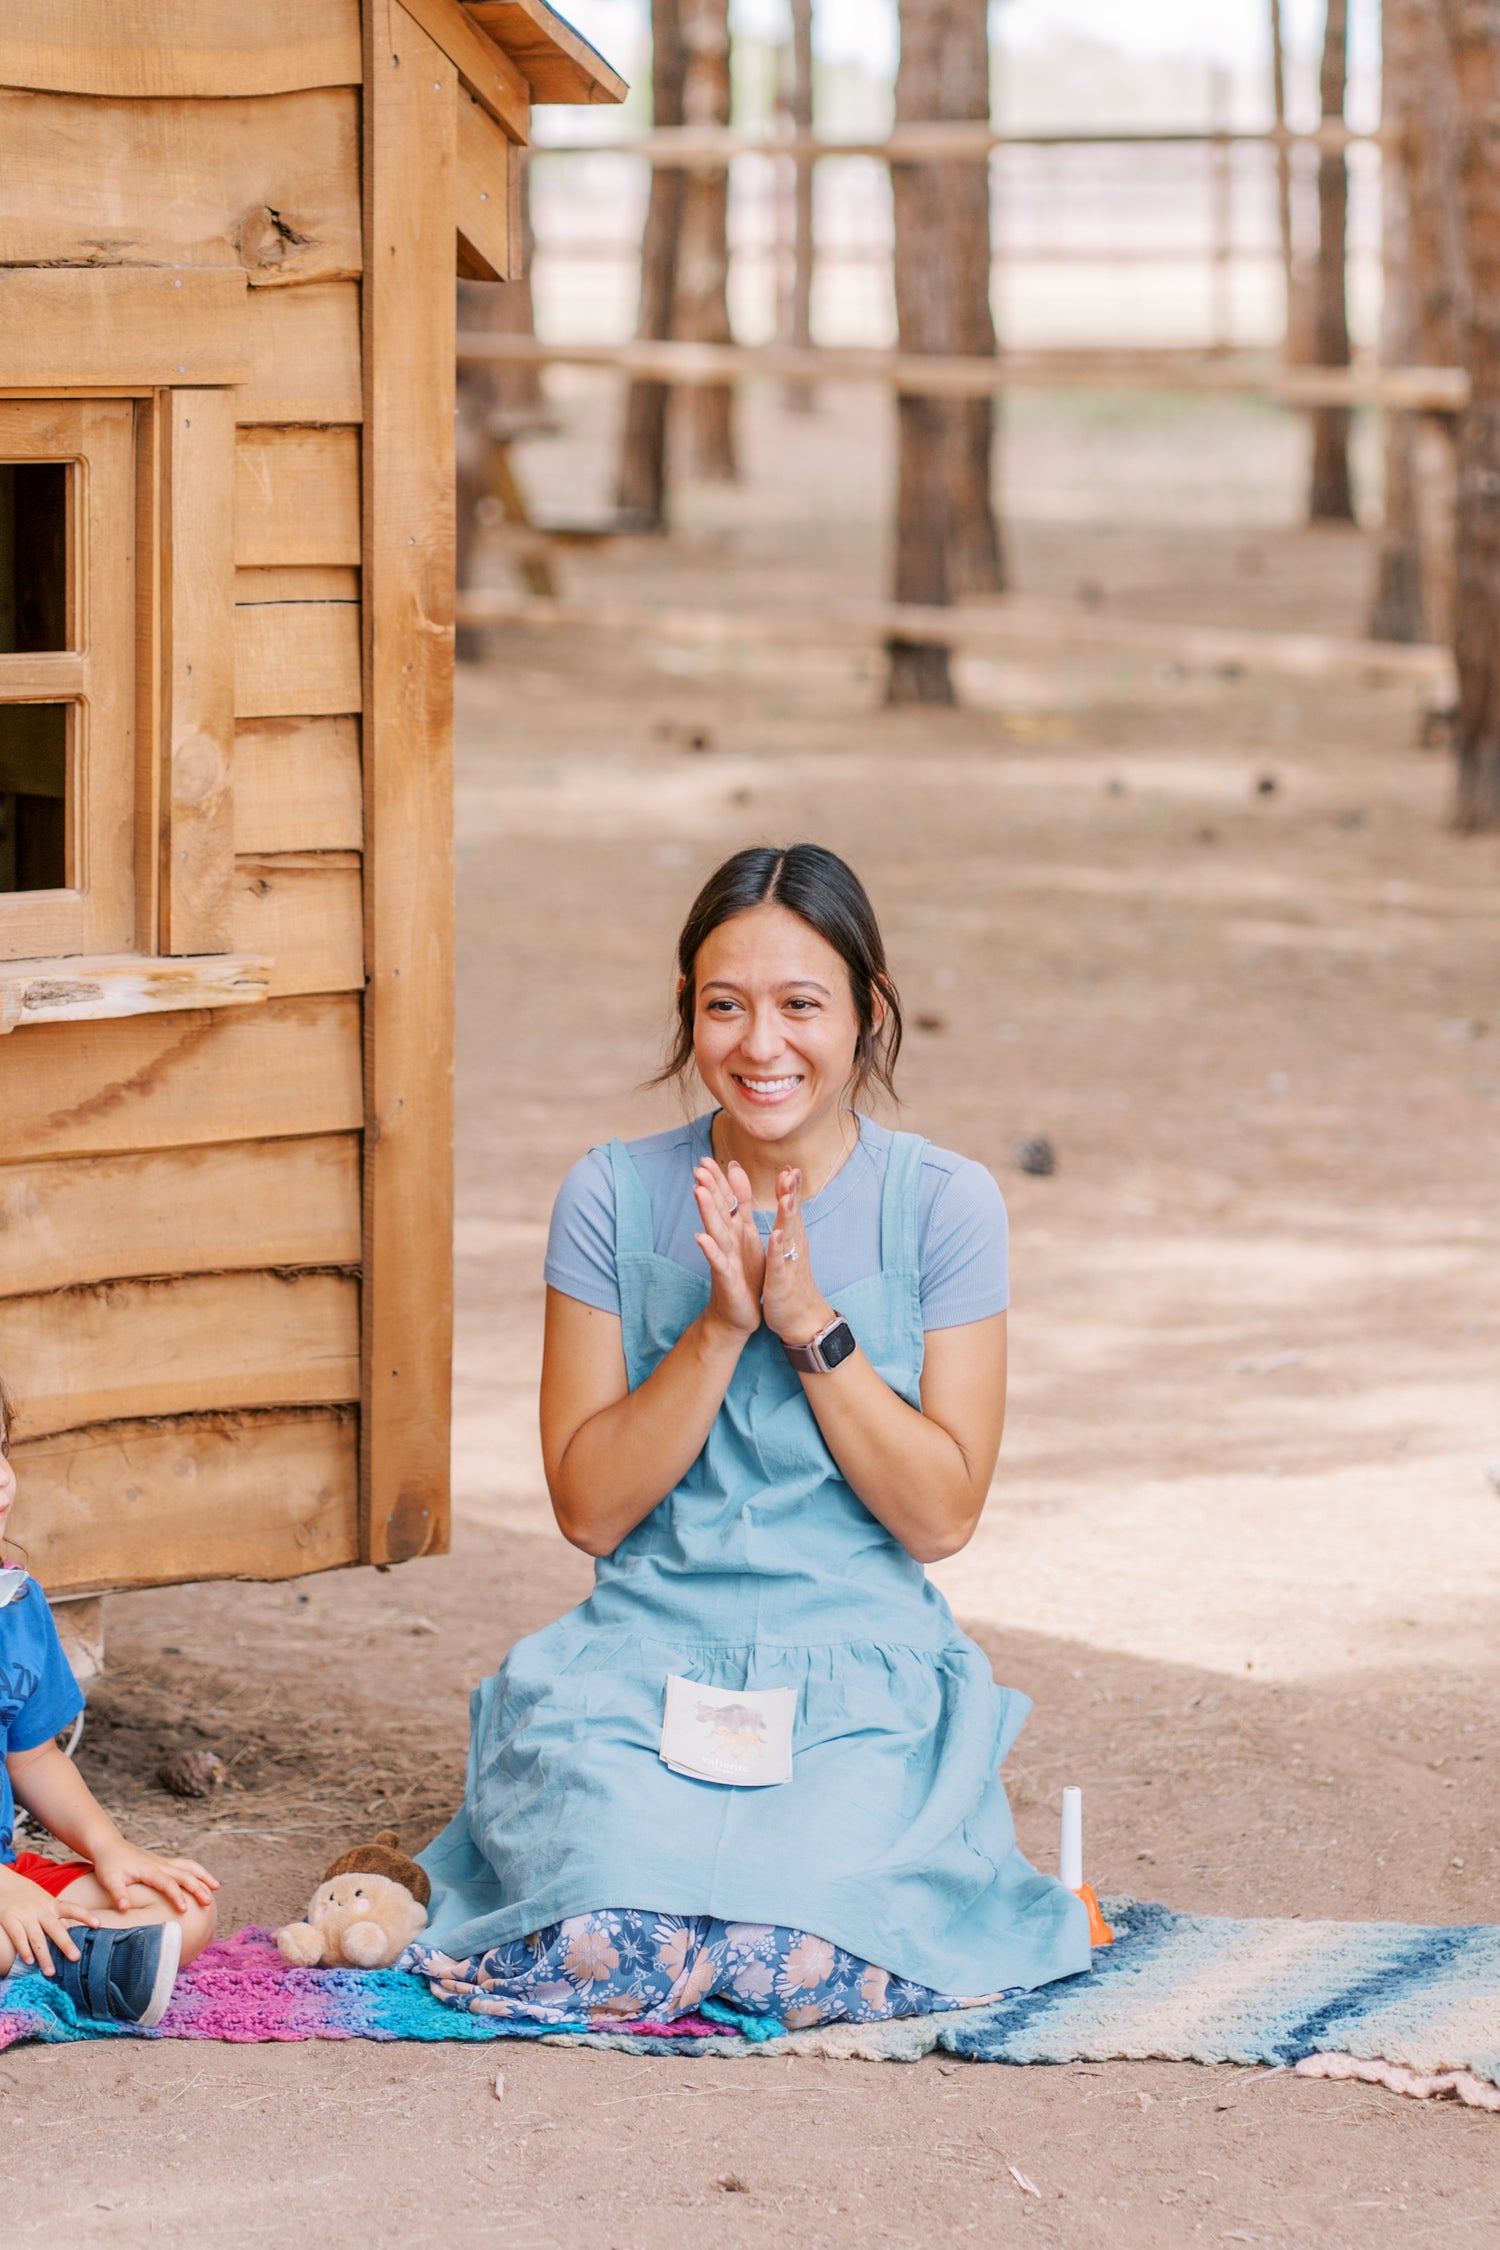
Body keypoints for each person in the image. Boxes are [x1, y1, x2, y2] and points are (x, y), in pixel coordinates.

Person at [411, 845, 1090, 2027]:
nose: (760, 1045)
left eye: (800, 1005)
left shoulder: (945, 1204)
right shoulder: (613, 1195)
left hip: (860, 1667)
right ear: (688, 1011)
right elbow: (590, 1507)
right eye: (725, 1005)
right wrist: (721, 1328)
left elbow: (941, 1517)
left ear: (868, 1013)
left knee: (809, 1937)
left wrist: (808, 1324)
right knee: (600, 1935)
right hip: (641, 1657)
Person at [0, 1379, 218, 2025]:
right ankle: (65, 1960)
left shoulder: (14, 1601)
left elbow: (33, 1760)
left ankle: (43, 1955)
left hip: (9, 1874)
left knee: (186, 1910)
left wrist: (110, 1848)